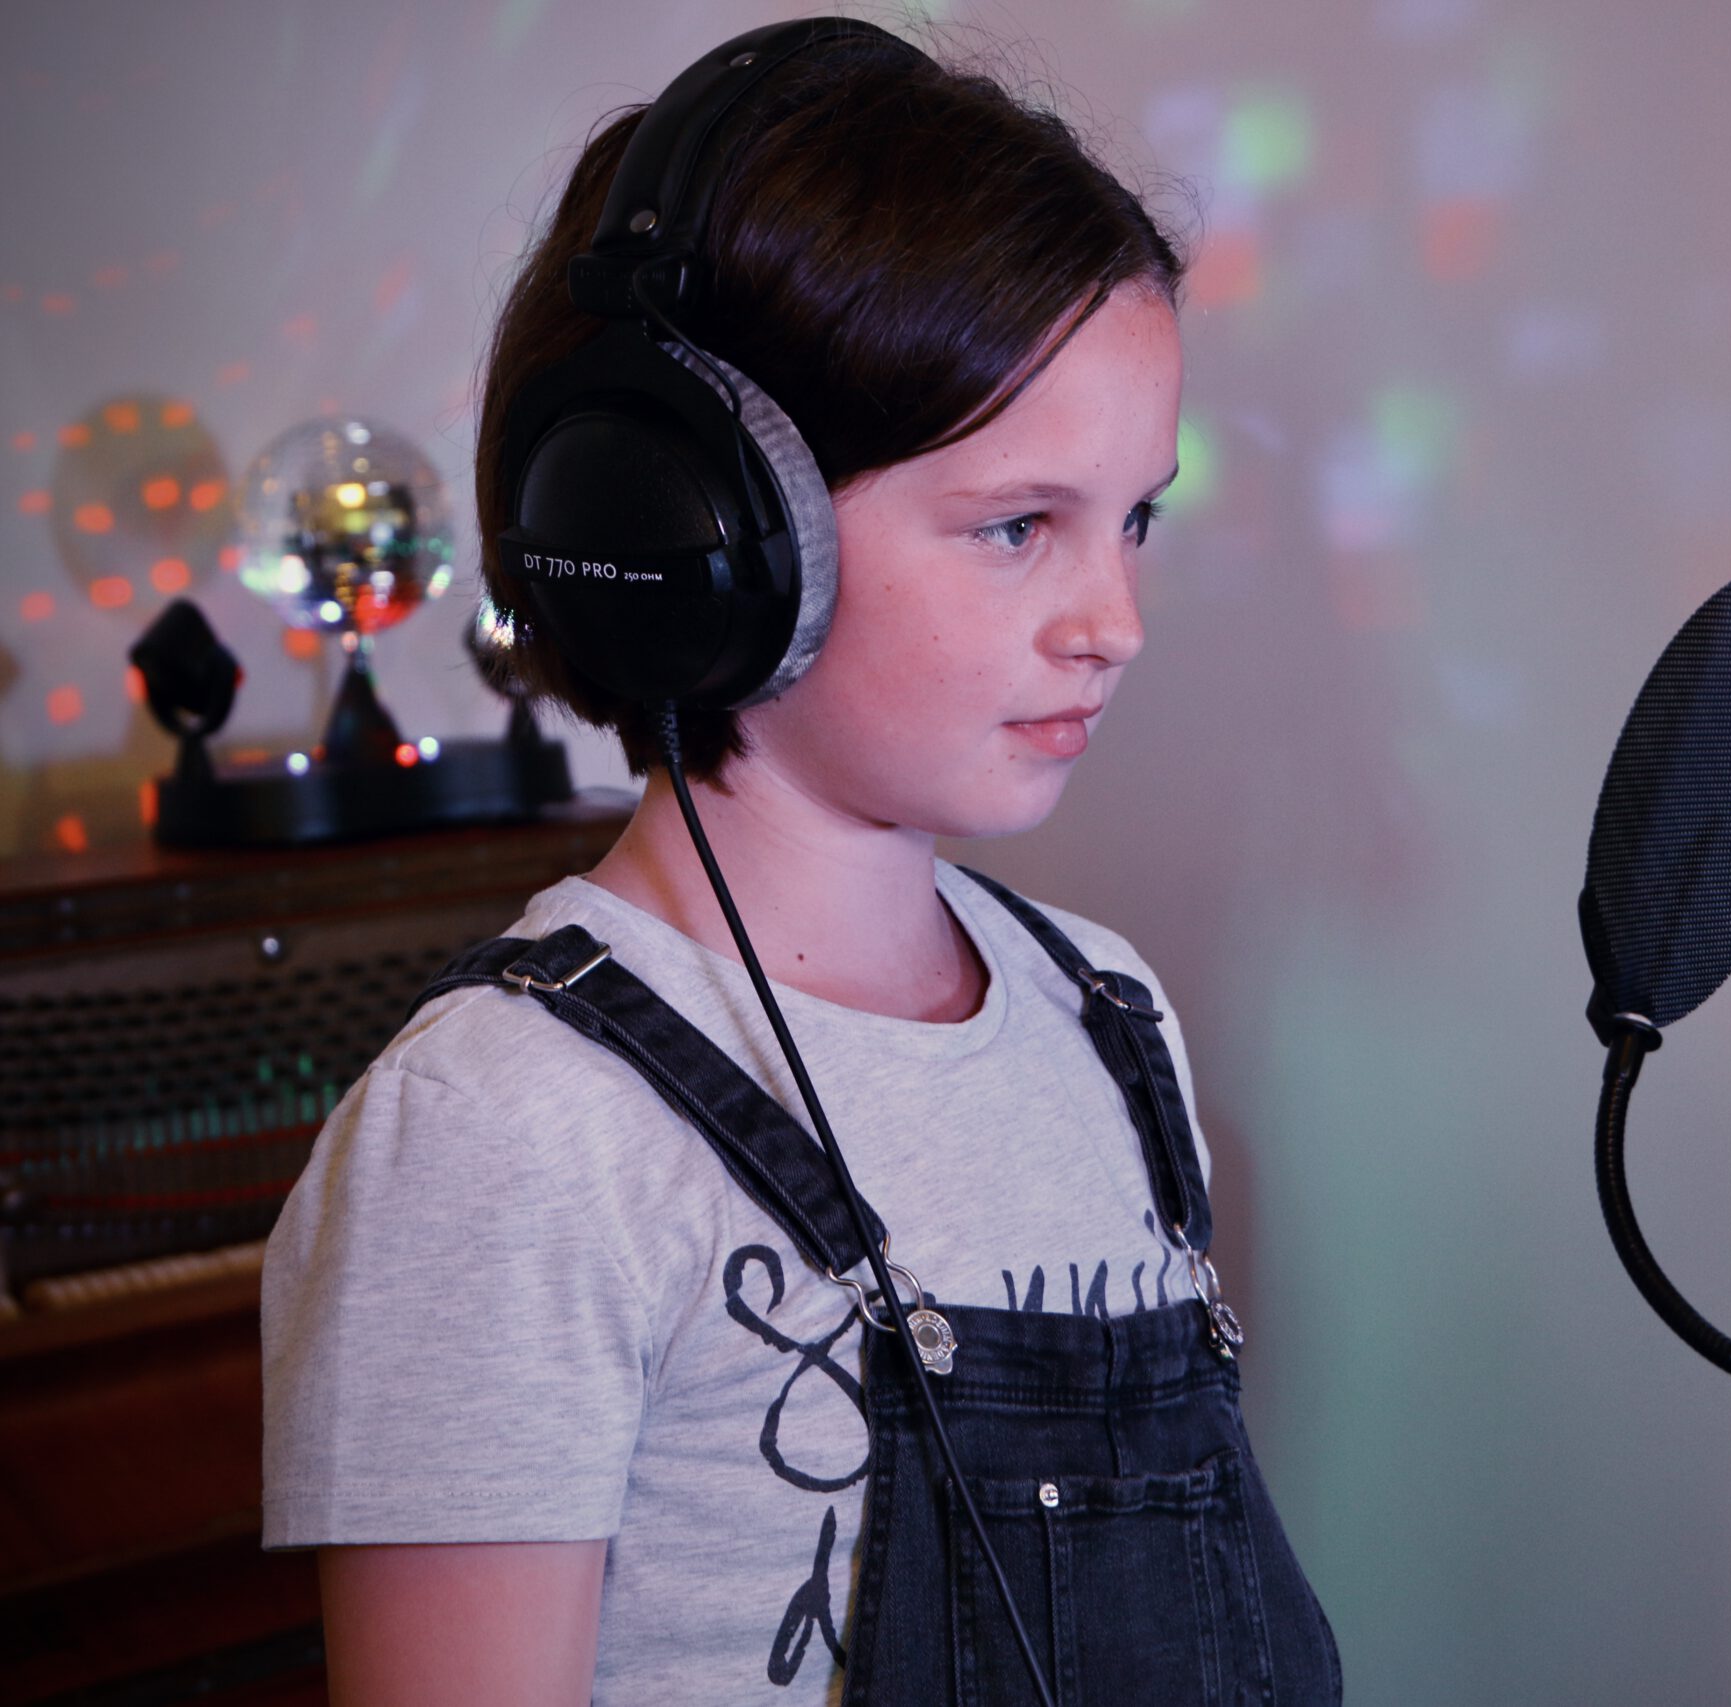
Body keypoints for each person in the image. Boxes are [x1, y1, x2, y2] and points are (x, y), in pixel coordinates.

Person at [259, 20, 1339, 1706]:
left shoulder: (1111, 1015)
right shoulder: (505, 1137)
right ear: (694, 536)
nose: (1114, 622)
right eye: (1017, 526)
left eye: (1135, 518)